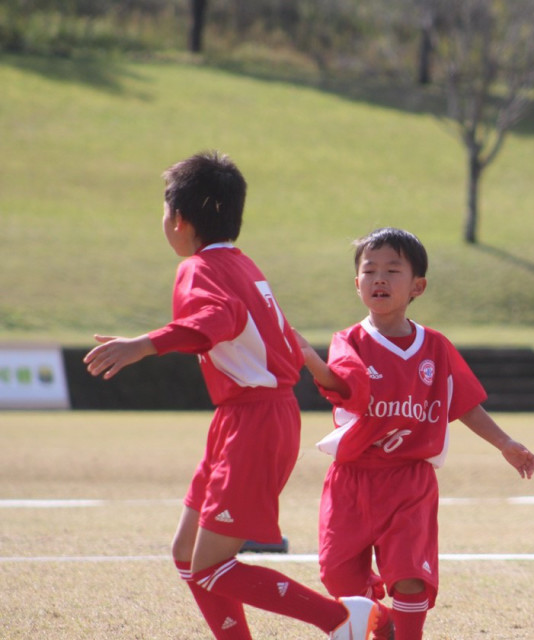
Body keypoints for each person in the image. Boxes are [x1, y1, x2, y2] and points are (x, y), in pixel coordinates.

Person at [83, 151, 391, 640]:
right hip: (247, 419)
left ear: (180, 220)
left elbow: (217, 321)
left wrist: (144, 344)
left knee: (209, 566)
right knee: (188, 554)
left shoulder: (198, 270)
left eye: (164, 213)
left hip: (254, 421)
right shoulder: (245, 266)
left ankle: (342, 621)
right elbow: (282, 334)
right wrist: (332, 379)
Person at [297, 227, 534, 640]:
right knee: (338, 577)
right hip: (351, 478)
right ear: (356, 284)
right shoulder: (348, 342)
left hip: (409, 480)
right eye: (369, 270)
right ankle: (380, 622)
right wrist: (309, 358)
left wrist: (505, 443)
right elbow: (344, 387)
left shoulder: (436, 347)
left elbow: (461, 402)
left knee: (410, 575)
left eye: (393, 270)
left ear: (417, 286)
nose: (379, 279)